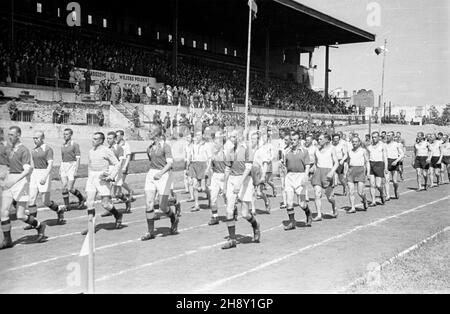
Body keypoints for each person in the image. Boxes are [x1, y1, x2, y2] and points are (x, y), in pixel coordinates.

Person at [1, 126, 46, 250]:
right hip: (9, 181)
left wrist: (14, 180)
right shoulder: (7, 149)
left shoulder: (24, 150)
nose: (9, 137)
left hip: (21, 182)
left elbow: (27, 170)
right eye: (8, 134)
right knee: (3, 211)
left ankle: (40, 226)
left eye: (12, 135)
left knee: (20, 215)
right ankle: (7, 240)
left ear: (18, 135)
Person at [221, 130, 260, 249]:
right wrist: (225, 186)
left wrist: (239, 183)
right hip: (232, 179)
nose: (231, 139)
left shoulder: (247, 148)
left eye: (233, 137)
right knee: (229, 210)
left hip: (244, 180)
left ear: (239, 137)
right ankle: (232, 239)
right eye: (230, 137)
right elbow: (227, 169)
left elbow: (248, 168)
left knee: (244, 214)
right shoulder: (230, 151)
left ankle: (255, 225)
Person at [141, 124, 179, 241]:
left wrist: (160, 173)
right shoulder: (149, 148)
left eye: (151, 131)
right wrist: (154, 173)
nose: (149, 132)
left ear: (157, 133)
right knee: (149, 203)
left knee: (163, 207)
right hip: (152, 174)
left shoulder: (166, 146)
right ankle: (150, 231)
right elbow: (151, 161)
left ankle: (173, 218)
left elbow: (170, 163)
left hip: (164, 175)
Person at [81, 132, 123, 235]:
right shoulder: (91, 151)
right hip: (92, 177)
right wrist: (89, 178)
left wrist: (111, 176)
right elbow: (90, 165)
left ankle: (118, 215)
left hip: (102, 178)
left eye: (95, 139)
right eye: (93, 138)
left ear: (101, 141)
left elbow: (117, 164)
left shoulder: (106, 151)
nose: (93, 140)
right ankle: (91, 226)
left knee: (105, 204)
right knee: (89, 202)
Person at [26, 131, 65, 230]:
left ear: (42, 138)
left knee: (45, 201)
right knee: (31, 199)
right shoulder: (33, 150)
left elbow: (50, 164)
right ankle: (33, 222)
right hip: (35, 173)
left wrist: (44, 176)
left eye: (37, 138)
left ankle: (59, 210)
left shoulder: (48, 149)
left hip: (45, 173)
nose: (35, 140)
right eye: (34, 138)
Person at [283, 131, 312, 230]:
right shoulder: (286, 152)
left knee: (302, 203)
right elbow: (285, 166)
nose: (293, 142)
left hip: (300, 176)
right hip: (290, 177)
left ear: (299, 140)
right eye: (291, 140)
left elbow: (307, 165)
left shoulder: (304, 151)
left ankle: (308, 214)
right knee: (289, 202)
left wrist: (305, 176)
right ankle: (292, 222)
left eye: (295, 140)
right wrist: (285, 177)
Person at [311, 133, 339, 221]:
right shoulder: (316, 150)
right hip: (318, 172)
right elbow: (315, 163)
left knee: (330, 197)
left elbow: (336, 163)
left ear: (326, 140)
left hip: (328, 173)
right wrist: (311, 170)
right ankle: (319, 214)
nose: (318, 141)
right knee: (317, 194)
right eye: (318, 139)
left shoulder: (331, 149)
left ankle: (334, 206)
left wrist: (332, 172)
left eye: (320, 139)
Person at [205, 131, 227, 225]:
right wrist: (208, 172)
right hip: (215, 176)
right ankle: (215, 217)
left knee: (227, 198)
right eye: (215, 143)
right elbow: (210, 166)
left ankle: (233, 210)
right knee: (213, 197)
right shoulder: (213, 155)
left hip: (224, 176)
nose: (215, 145)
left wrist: (226, 181)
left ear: (221, 144)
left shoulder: (226, 154)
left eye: (217, 143)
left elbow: (229, 168)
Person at [60, 128, 85, 209]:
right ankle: (67, 206)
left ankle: (81, 199)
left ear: (71, 135)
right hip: (64, 166)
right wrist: (61, 169)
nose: (65, 135)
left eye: (67, 134)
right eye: (64, 134)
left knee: (70, 188)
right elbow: (62, 158)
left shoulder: (75, 145)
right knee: (64, 187)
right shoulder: (62, 145)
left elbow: (78, 158)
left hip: (72, 165)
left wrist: (76, 170)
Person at [187, 131, 211, 212]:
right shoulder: (192, 145)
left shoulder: (206, 145)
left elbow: (210, 157)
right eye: (196, 135)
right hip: (194, 165)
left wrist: (208, 168)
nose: (197, 136)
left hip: (203, 165)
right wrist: (188, 167)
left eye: (198, 135)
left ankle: (210, 196)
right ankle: (196, 204)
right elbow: (189, 156)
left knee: (203, 188)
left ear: (202, 136)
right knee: (194, 186)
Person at [347, 136, 369, 213]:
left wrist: (368, 173)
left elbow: (367, 162)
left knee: (360, 192)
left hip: (360, 171)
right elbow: (347, 163)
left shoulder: (363, 151)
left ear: (359, 142)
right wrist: (345, 172)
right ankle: (353, 207)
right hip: (351, 171)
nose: (354, 143)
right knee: (351, 191)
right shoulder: (349, 151)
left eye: (356, 141)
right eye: (353, 141)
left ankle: (364, 199)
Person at [367, 132, 388, 206]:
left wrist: (386, 167)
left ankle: (382, 194)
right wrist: (367, 172)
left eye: (375, 137)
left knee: (378, 185)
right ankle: (373, 201)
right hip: (372, 164)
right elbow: (367, 160)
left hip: (379, 164)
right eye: (372, 137)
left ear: (378, 137)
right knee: (372, 184)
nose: (374, 138)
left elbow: (385, 157)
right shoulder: (369, 147)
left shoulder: (382, 145)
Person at [385, 131, 404, 200]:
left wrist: (396, 161)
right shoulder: (385, 144)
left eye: (389, 135)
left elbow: (402, 154)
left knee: (394, 181)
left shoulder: (397, 144)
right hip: (387, 162)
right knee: (386, 180)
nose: (388, 137)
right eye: (387, 135)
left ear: (393, 136)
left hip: (394, 162)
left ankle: (396, 190)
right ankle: (387, 195)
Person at [116, 130, 134, 202]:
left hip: (124, 164)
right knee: (117, 182)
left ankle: (130, 191)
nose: (116, 137)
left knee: (120, 182)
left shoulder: (126, 145)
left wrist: (125, 166)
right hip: (117, 165)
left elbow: (128, 156)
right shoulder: (116, 144)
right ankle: (119, 195)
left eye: (117, 135)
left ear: (122, 136)